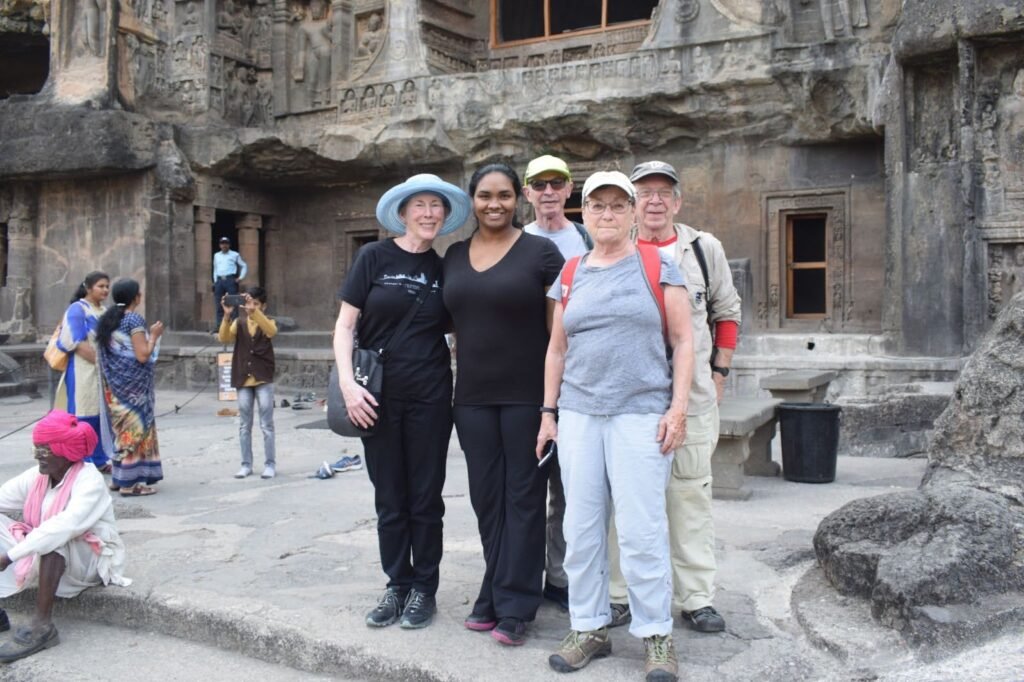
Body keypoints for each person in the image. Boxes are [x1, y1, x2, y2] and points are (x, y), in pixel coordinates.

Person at [536, 171, 693, 681]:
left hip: (640, 413)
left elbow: (683, 341)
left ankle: (656, 636)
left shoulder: (657, 265)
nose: (606, 214)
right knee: (580, 529)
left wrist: (678, 408)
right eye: (596, 206)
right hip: (580, 415)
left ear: (631, 213)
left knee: (642, 529)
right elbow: (557, 348)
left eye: (616, 205)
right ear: (585, 213)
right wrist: (548, 412)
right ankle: (589, 627)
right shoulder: (572, 270)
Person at [607, 160, 742, 635]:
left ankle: (695, 598)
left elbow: (726, 312)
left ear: (678, 201)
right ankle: (618, 595)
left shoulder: (704, 250)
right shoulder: (611, 248)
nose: (655, 200)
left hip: (694, 398)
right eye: (645, 193)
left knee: (689, 500)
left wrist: (720, 371)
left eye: (664, 192)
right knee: (624, 503)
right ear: (632, 203)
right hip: (627, 400)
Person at [335, 174, 470, 630]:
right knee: (390, 497)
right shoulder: (372, 257)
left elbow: (463, 328)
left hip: (431, 395)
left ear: (446, 215)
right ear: (404, 212)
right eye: (421, 205)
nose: (430, 213)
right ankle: (397, 583)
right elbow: (344, 327)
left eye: (437, 206)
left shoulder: (447, 266)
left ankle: (424, 589)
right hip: (376, 396)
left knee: (425, 497)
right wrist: (350, 387)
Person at [443, 163, 564, 646]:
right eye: (485, 195)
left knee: (524, 498)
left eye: (505, 195)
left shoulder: (541, 253)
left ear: (520, 199)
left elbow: (561, 333)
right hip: (470, 398)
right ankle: (495, 589)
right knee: (486, 500)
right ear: (472, 200)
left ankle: (515, 605)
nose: (495, 204)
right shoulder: (452, 256)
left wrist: (552, 406)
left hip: (526, 397)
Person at [521, 153, 593, 612]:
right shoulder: (511, 241)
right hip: (522, 377)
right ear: (526, 193)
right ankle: (523, 577)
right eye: (538, 184)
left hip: (579, 378)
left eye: (557, 183)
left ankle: (562, 576)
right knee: (526, 485)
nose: (548, 192)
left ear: (569, 191)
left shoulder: (587, 240)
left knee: (571, 486)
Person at [0, 410, 129, 663]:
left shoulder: (89, 480)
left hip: (88, 562)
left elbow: (64, 526)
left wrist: (9, 556)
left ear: (65, 451)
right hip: (47, 555)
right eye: (36, 448)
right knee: (44, 535)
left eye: (44, 449)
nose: (38, 455)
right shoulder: (38, 476)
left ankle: (42, 626)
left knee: (55, 536)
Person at [95, 279, 164, 497]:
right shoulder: (133, 320)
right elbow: (142, 355)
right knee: (133, 432)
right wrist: (153, 336)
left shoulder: (107, 320)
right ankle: (129, 484)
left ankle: (118, 478)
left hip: (115, 386)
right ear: (136, 297)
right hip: (134, 388)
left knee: (122, 431)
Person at [53, 271, 113, 472]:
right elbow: (73, 341)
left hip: (101, 371)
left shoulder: (104, 310)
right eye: (101, 286)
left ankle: (99, 459)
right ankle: (80, 462)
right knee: (83, 415)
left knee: (100, 415)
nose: (105, 290)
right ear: (88, 288)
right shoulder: (78, 309)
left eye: (107, 286)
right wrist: (99, 362)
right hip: (82, 369)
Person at [219, 286, 278, 480]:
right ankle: (246, 464)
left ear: (263, 305)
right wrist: (227, 316)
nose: (251, 307)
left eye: (256, 303)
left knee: (266, 424)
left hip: (263, 377)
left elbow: (271, 331)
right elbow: (224, 338)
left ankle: (270, 464)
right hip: (243, 377)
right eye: (249, 303)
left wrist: (256, 314)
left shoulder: (267, 321)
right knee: (245, 424)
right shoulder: (239, 322)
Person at [213, 236, 248, 328]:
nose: (224, 245)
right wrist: (216, 281)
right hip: (220, 280)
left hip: (230, 279)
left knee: (233, 302)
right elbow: (215, 269)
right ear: (220, 245)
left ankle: (234, 325)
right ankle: (219, 326)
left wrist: (240, 277)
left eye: (226, 243)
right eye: (222, 243)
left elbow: (244, 265)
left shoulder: (234, 254)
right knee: (219, 303)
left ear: (229, 245)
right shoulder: (216, 255)